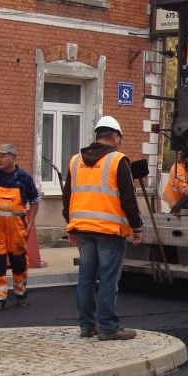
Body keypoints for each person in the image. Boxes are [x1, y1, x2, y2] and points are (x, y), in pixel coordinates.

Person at [62, 116, 144, 341]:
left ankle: (87, 326)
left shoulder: (75, 160)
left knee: (86, 278)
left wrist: (70, 225)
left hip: (83, 229)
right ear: (115, 136)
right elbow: (128, 199)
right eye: (120, 138)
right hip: (109, 230)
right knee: (108, 279)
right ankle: (109, 327)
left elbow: (67, 196)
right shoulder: (117, 161)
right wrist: (137, 226)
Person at [0, 144, 40, 311]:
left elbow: (34, 202)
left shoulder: (24, 178)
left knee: (19, 262)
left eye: (3, 156)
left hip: (17, 227)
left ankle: (20, 294)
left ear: (13, 158)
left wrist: (30, 223)